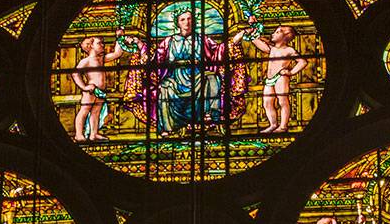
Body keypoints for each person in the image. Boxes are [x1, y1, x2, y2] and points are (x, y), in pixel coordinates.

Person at [120, 9, 249, 135]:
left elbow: (219, 51)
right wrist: (139, 43)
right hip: (175, 77)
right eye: (183, 19)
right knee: (164, 87)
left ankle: (211, 115)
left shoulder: (202, 39)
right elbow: (155, 58)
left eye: (189, 19)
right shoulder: (169, 41)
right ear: (178, 23)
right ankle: (169, 127)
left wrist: (237, 38)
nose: (186, 22)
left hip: (198, 74)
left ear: (194, 21)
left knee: (212, 78)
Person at [247, 21, 307, 132]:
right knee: (267, 102)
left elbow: (302, 62)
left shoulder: (289, 50)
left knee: (282, 101)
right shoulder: (272, 49)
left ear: (286, 36)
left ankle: (283, 126)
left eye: (277, 32)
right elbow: (256, 42)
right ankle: (273, 124)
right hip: (269, 79)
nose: (273, 34)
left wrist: (291, 72)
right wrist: (253, 31)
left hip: (280, 77)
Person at [71, 36, 123, 142]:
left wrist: (119, 38)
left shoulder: (101, 59)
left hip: (100, 91)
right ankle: (78, 135)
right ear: (90, 46)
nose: (102, 45)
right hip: (90, 91)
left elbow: (117, 53)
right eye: (99, 43)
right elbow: (75, 74)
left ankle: (93, 134)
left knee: (96, 112)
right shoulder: (86, 61)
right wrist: (84, 87)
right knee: (84, 111)